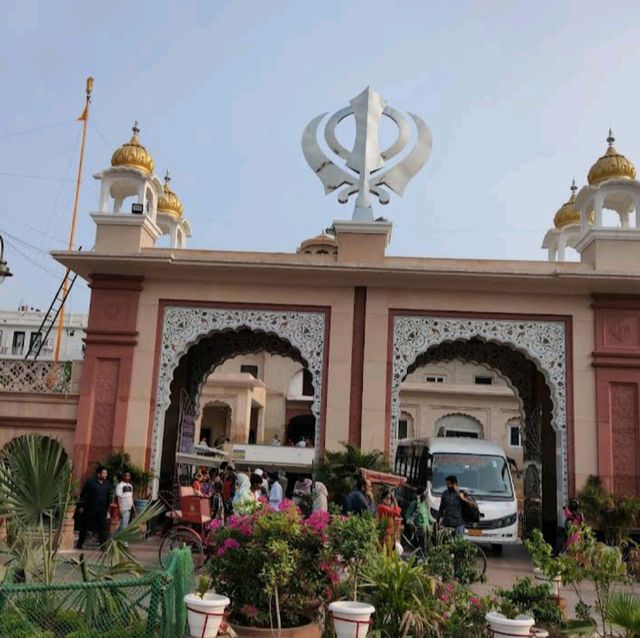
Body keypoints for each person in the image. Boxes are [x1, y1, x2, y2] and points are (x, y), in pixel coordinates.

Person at [77, 465, 111, 549]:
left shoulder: (107, 484)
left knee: (103, 528)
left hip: (102, 508)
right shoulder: (90, 483)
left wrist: (107, 509)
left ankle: (103, 546)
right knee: (84, 527)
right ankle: (79, 544)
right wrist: (81, 506)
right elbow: (83, 495)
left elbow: (108, 497)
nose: (105, 475)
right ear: (98, 474)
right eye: (103, 473)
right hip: (90, 508)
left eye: (106, 473)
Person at [377, 488, 402, 552]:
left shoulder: (389, 508)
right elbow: (397, 512)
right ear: (383, 498)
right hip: (384, 536)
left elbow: (398, 514)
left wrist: (393, 499)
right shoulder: (381, 507)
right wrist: (394, 499)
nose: (389, 500)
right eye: (387, 498)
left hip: (390, 536)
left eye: (390, 498)